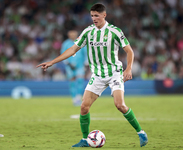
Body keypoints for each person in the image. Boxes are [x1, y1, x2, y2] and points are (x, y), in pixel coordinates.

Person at [37, 3, 148, 147]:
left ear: (104, 15)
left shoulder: (115, 31)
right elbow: (72, 49)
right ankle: (84, 140)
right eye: (92, 16)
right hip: (97, 75)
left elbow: (129, 51)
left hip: (114, 73)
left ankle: (141, 132)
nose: (94, 18)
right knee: (84, 107)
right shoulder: (88, 32)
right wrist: (53, 62)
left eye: (96, 15)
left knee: (119, 105)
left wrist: (128, 69)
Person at [60, 30, 88, 106]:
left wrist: (86, 63)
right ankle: (74, 98)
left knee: (80, 81)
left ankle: (78, 97)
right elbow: (63, 54)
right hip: (70, 66)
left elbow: (86, 53)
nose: (72, 36)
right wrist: (67, 63)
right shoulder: (66, 43)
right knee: (72, 82)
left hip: (80, 66)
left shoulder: (81, 42)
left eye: (74, 34)